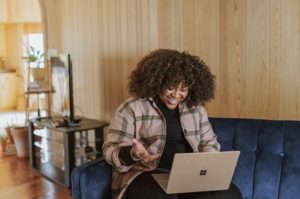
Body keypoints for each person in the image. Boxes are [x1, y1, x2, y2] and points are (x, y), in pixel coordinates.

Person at [103, 49, 242, 199]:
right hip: (146, 174)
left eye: (183, 89)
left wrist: (208, 159)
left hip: (188, 176)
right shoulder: (132, 108)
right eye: (170, 87)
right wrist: (132, 153)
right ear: (157, 81)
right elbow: (110, 150)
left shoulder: (196, 109)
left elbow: (209, 143)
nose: (176, 95)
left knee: (230, 194)